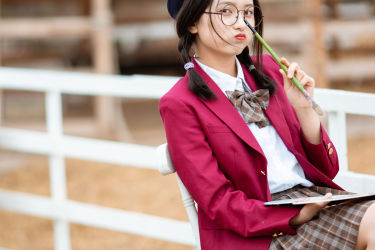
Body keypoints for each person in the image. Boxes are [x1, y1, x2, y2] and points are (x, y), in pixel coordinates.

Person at [159, 0, 375, 249]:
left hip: (315, 202)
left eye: (248, 12)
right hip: (256, 230)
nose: (242, 23)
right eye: (227, 11)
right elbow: (216, 200)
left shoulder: (272, 73)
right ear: (192, 22)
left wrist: (304, 109)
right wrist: (293, 216)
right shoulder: (179, 103)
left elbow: (328, 170)